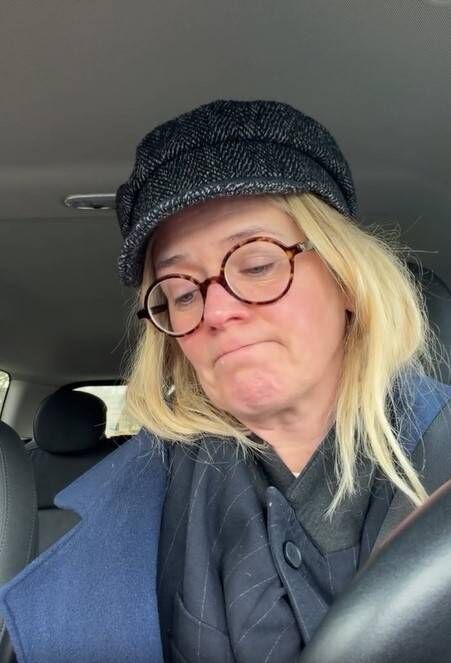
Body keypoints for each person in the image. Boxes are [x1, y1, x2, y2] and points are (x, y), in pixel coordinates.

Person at [1, 99, 451, 662]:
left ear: (346, 280)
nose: (215, 310)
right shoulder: (110, 538)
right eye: (181, 292)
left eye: (258, 265)